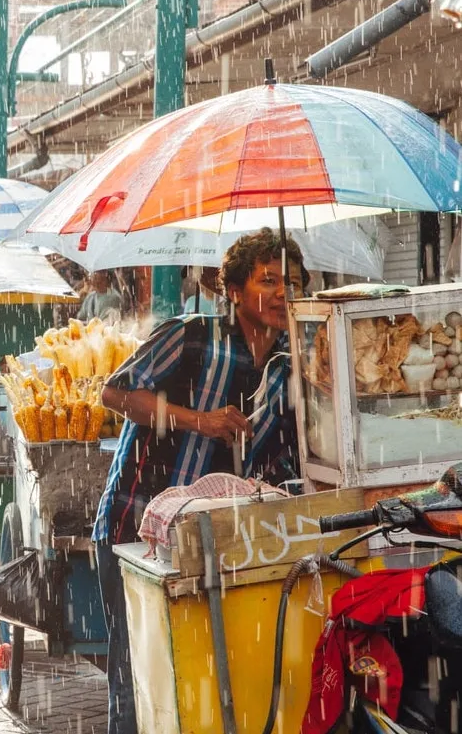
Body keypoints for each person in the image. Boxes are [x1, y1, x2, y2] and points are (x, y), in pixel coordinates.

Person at [92, 228, 306, 734]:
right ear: (233, 289)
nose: (282, 293)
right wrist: (199, 420)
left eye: (291, 282)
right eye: (268, 280)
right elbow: (115, 394)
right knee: (138, 678)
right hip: (136, 532)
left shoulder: (290, 363)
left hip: (223, 547)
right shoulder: (189, 335)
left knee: (203, 682)